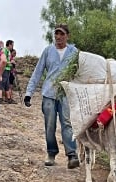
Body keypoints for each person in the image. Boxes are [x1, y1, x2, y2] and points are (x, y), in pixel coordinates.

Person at [24, 24, 79, 169]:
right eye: (56, 34)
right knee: (50, 125)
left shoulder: (74, 52)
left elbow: (80, 73)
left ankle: (72, 154)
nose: (58, 37)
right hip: (49, 93)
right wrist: (29, 93)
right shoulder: (48, 51)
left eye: (62, 34)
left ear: (67, 36)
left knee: (67, 123)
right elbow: (37, 72)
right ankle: (51, 153)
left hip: (66, 93)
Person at [0, 40, 16, 104]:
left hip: (7, 69)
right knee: (1, 83)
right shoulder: (4, 50)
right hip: (4, 69)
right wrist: (10, 62)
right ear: (10, 44)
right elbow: (3, 60)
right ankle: (0, 99)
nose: (13, 46)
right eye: (12, 45)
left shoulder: (8, 51)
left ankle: (8, 98)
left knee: (6, 84)